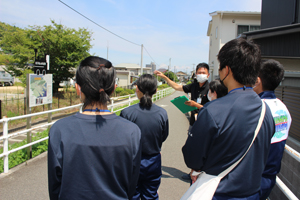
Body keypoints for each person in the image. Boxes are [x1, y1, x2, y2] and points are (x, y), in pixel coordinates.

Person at [182, 38, 275, 199]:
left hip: (220, 192)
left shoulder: (213, 111)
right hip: (253, 192)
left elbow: (192, 158)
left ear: (227, 70)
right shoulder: (266, 111)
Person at [48, 56, 142, 200]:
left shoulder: (60, 129)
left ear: (77, 88)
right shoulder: (131, 131)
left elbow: (55, 186)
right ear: (113, 89)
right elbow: (132, 183)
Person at [154, 63, 210, 180]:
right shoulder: (193, 86)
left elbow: (213, 108)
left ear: (208, 75)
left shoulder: (211, 88)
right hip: (193, 123)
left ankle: (201, 174)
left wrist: (196, 104)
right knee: (192, 148)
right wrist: (165, 77)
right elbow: (177, 87)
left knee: (204, 149)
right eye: (199, 72)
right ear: (195, 74)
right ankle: (192, 172)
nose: (201, 75)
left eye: (203, 73)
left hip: (206, 123)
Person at [120, 74, 169, 200]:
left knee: (132, 195)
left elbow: (122, 140)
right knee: (151, 195)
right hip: (153, 161)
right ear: (156, 91)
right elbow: (164, 135)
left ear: (137, 89)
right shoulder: (162, 113)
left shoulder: (126, 113)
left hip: (132, 161)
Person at [253, 59, 292, 200]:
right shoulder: (283, 108)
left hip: (253, 178)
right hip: (270, 178)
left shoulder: (257, 108)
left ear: (257, 80)